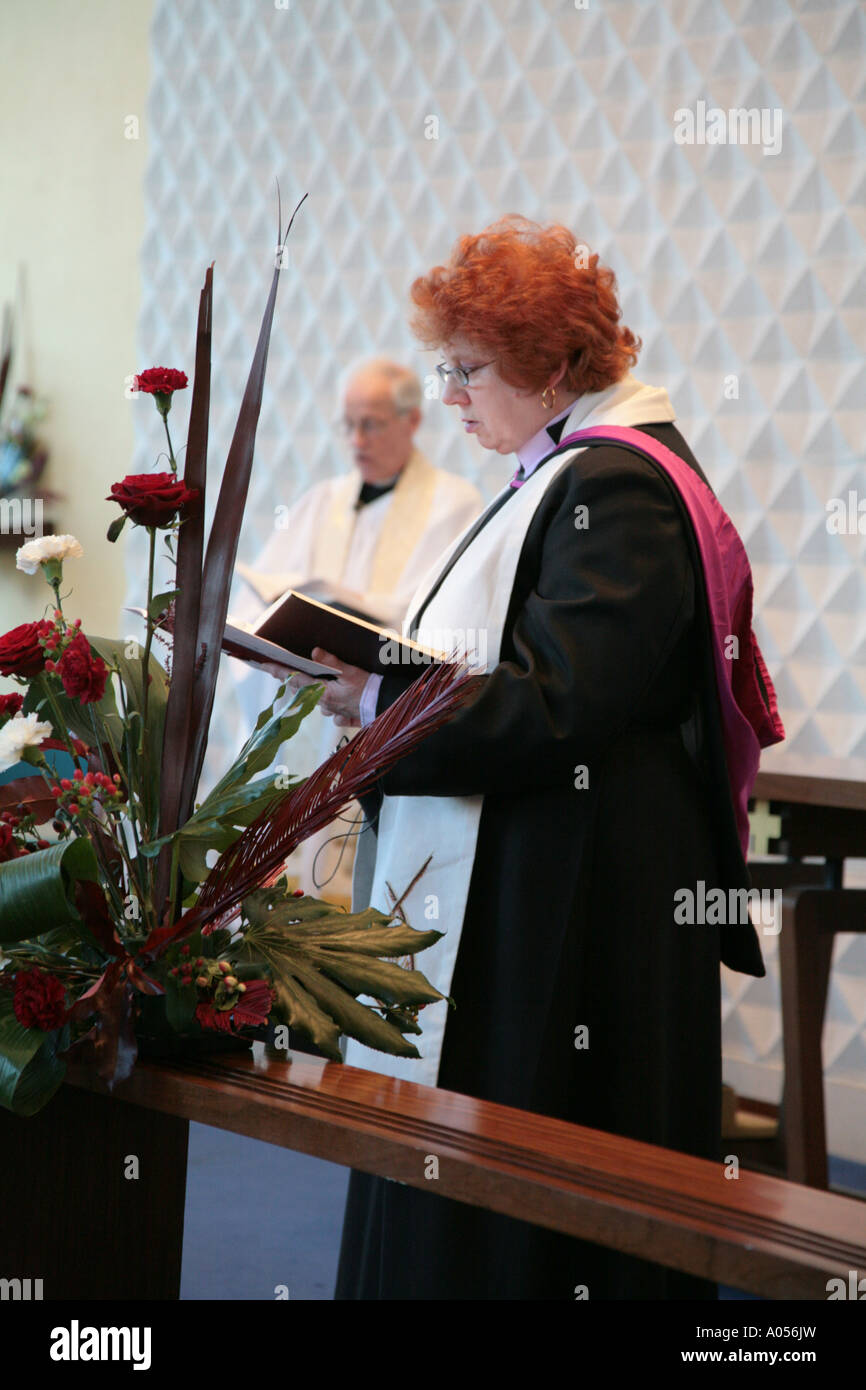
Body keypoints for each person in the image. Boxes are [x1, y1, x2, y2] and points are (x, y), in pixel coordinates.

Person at [308, 216, 784, 1300]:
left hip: (578, 896)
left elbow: (560, 700)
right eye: (445, 365)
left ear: (558, 364)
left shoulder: (617, 484)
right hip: (551, 865)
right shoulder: (557, 474)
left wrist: (380, 697)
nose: (452, 392)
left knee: (535, 1196)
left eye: (469, 368)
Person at [230, 357, 482, 900]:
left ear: (412, 421)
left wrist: (359, 611)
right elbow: (262, 589)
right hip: (307, 715)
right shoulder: (320, 501)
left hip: (378, 715)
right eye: (348, 424)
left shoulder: (455, 505)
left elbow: (443, 628)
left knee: (357, 890)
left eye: (371, 423)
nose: (356, 438)